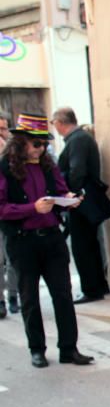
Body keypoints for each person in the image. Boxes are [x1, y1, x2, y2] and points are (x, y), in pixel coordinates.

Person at [0, 113, 94, 368]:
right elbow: (2, 208)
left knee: (63, 295)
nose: (41, 149)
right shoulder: (4, 168)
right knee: (29, 298)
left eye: (44, 144)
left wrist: (70, 198)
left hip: (51, 238)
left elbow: (61, 191)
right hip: (23, 242)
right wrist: (32, 208)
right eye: (36, 144)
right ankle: (37, 350)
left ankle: (69, 349)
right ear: (20, 143)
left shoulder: (48, 166)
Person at [51, 107, 110, 303]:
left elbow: (77, 171)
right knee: (89, 244)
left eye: (54, 124)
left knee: (83, 246)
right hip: (84, 199)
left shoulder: (77, 140)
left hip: (80, 201)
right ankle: (98, 285)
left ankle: (92, 289)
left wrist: (70, 196)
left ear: (60, 122)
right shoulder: (80, 138)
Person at [0, 111, 18, 318]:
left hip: (12, 213)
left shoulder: (14, 155)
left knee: (13, 257)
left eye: (4, 128)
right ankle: (1, 300)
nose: (2, 133)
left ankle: (14, 295)